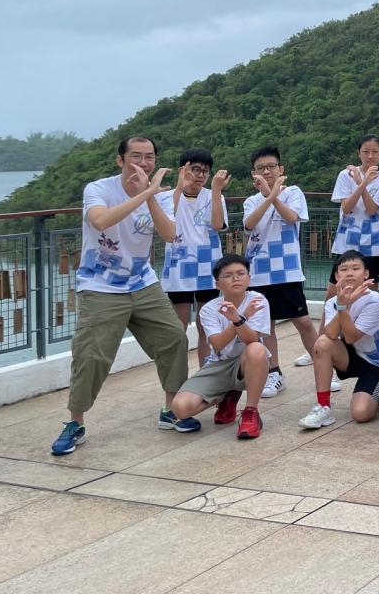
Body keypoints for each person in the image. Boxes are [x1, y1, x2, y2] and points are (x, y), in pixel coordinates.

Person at [51, 136, 194, 456]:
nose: (143, 163)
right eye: (136, 156)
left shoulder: (159, 194)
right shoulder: (99, 189)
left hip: (142, 282)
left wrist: (151, 196)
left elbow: (169, 234)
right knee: (91, 355)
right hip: (100, 286)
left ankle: (171, 409)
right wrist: (145, 192)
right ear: (120, 160)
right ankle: (75, 423)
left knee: (174, 338)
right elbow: (100, 220)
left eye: (149, 157)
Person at [243, 145, 318, 397]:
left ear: (281, 169)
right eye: (261, 168)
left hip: (287, 271)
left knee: (303, 322)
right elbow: (249, 224)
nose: (266, 171)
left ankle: (323, 367)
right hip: (258, 272)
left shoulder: (293, 193)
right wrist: (267, 196)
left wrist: (273, 195)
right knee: (266, 326)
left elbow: (291, 218)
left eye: (271, 167)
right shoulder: (251, 201)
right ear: (253, 173)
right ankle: (274, 374)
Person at [169, 254, 270, 440]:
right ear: (217, 284)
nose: (235, 278)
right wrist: (240, 319)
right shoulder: (209, 308)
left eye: (241, 273)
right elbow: (217, 344)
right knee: (180, 408)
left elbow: (251, 339)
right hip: (219, 364)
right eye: (228, 275)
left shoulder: (258, 300)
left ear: (249, 278)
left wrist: (238, 319)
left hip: (247, 362)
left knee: (257, 349)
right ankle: (227, 395)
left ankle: (251, 412)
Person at [299, 251, 379, 429]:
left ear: (366, 274)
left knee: (361, 413)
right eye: (344, 269)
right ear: (336, 276)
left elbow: (351, 336)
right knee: (322, 343)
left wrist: (345, 305)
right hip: (351, 355)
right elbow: (331, 334)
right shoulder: (332, 301)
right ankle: (323, 406)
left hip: (376, 364)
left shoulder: (374, 300)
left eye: (355, 268)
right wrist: (343, 303)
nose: (349, 273)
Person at [157, 148, 229, 366]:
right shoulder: (167, 196)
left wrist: (216, 191)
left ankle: (204, 373)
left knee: (205, 324)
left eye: (204, 171)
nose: (200, 175)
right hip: (179, 267)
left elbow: (217, 224)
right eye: (195, 169)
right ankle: (178, 375)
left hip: (209, 265)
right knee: (178, 326)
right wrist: (180, 187)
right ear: (183, 169)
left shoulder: (214, 195)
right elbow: (167, 216)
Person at [329, 133, 379, 288]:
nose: (370, 156)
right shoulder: (346, 175)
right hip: (346, 241)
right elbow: (346, 208)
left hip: (373, 242)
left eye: (375, 151)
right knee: (336, 288)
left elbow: (371, 210)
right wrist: (363, 182)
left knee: (370, 289)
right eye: (365, 151)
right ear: (359, 153)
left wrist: (360, 182)